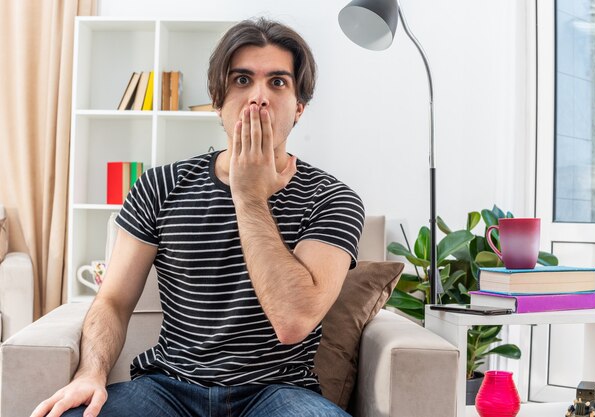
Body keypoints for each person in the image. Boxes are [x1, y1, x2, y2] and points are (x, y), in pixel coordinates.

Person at [31, 18, 364, 417]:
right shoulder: (161, 185)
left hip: (278, 393)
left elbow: (293, 322)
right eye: (242, 80)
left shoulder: (332, 199)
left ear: (299, 108)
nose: (258, 97)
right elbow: (114, 300)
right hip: (168, 386)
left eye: (278, 82)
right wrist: (90, 372)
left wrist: (249, 195)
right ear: (217, 100)